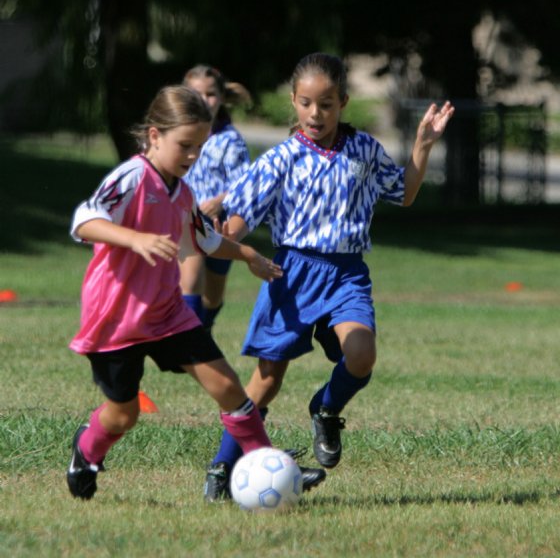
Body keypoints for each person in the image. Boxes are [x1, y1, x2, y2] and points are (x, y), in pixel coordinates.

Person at [203, 52, 455, 500]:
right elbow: (236, 225)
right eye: (305, 103)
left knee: (361, 355)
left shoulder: (363, 150)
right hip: (292, 274)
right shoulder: (280, 159)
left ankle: (326, 408)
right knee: (266, 381)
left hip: (346, 275)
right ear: (294, 102)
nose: (315, 114)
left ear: (343, 102)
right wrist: (228, 244)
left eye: (326, 105)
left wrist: (423, 144)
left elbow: (404, 192)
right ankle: (222, 469)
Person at [65, 84, 308, 501]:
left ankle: (266, 463)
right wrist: (134, 238)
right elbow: (84, 220)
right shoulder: (132, 177)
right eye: (185, 146)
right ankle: (86, 451)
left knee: (229, 386)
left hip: (167, 313)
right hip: (117, 318)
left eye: (200, 147)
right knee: (124, 415)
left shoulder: (183, 192)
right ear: (155, 135)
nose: (193, 156)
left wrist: (248, 253)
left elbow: (206, 241)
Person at [179, 65, 252, 334]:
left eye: (210, 94)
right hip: (187, 218)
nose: (204, 100)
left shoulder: (230, 139)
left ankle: (204, 325)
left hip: (220, 224)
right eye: (196, 93)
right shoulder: (178, 134)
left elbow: (246, 184)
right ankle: (188, 340)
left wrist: (221, 200)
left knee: (213, 293)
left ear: (221, 97)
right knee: (190, 281)